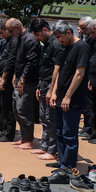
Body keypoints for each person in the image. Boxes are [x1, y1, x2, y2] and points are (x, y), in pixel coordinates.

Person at [48, 21, 90, 181]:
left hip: (73, 99)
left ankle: (69, 165)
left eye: (60, 37)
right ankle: (62, 161)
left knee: (69, 132)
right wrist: (54, 92)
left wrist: (68, 96)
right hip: (61, 96)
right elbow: (60, 72)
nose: (59, 41)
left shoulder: (82, 47)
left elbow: (79, 74)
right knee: (59, 131)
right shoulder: (65, 47)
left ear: (68, 32)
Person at [30, 19, 63, 161]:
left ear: (45, 30)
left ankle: (52, 149)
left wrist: (52, 90)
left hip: (51, 84)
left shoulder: (55, 44)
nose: (37, 38)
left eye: (38, 34)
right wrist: (39, 85)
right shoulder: (45, 44)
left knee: (51, 119)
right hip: (43, 83)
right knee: (43, 117)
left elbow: (57, 68)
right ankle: (44, 146)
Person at [8, 18, 40, 150]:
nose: (10, 34)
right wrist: (16, 75)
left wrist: (22, 79)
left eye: (11, 31)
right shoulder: (20, 39)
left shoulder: (30, 39)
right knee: (16, 109)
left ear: (17, 27)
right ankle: (24, 137)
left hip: (27, 81)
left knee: (24, 109)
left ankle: (28, 140)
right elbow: (19, 59)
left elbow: (31, 62)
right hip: (19, 78)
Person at [0, 20, 18, 143]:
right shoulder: (7, 41)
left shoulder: (14, 41)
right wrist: (0, 76)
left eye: (2, 32)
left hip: (8, 79)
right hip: (3, 76)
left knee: (8, 106)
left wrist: (3, 77)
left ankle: (9, 133)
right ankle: (4, 129)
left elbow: (10, 61)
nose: (1, 35)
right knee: (3, 105)